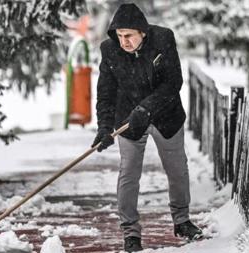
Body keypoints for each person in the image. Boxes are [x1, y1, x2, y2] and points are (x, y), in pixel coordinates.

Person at [91, 3, 202, 252]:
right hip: (128, 121)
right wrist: (104, 127)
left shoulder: (163, 39)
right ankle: (130, 232)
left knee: (177, 170)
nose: (124, 42)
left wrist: (146, 109)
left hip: (166, 116)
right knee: (128, 172)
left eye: (128, 36)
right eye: (120, 36)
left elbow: (173, 82)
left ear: (142, 31)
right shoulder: (109, 50)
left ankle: (182, 221)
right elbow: (105, 91)